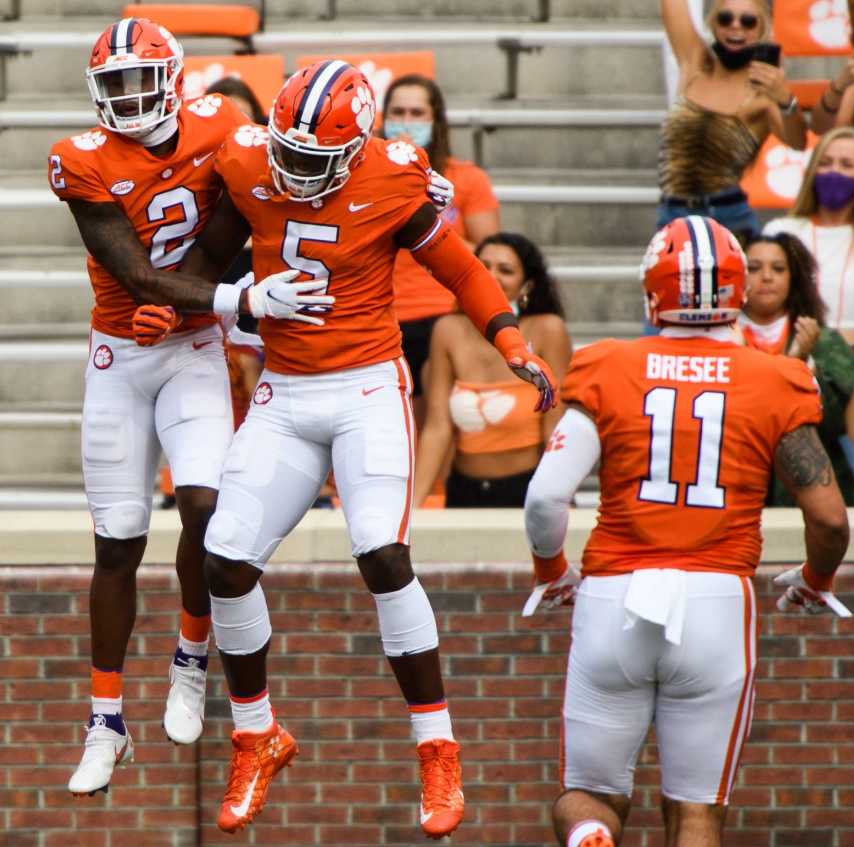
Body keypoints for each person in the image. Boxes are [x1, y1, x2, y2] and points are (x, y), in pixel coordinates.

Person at [134, 60, 559, 838]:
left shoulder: (397, 176)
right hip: (286, 390)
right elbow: (205, 235)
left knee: (381, 553)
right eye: (286, 154)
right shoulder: (248, 156)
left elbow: (460, 266)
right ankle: (258, 733)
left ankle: (437, 748)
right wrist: (191, 303)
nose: (294, 172)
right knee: (223, 557)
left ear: (360, 144)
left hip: (366, 388)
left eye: (313, 159)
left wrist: (508, 338)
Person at [46, 17, 331, 797]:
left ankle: (189, 655)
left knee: (205, 505)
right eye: (116, 85)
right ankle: (105, 720)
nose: (131, 98)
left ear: (175, 80)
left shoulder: (223, 127)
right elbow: (134, 272)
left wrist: (189, 305)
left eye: (144, 81)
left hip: (193, 345)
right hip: (118, 356)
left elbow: (270, 195)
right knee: (117, 542)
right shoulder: (79, 158)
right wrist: (230, 297)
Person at [522, 216, 851, 847]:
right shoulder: (773, 376)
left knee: (588, 793)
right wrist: (816, 579)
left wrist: (549, 571)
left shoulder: (607, 363)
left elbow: (545, 497)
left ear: (653, 290)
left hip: (614, 596)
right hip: (715, 603)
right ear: (736, 290)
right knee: (697, 810)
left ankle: (591, 835)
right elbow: (831, 518)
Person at [413, 233, 571, 508]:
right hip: (464, 489)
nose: (491, 276)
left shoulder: (548, 329)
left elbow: (555, 423)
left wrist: (559, 496)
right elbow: (437, 427)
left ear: (527, 286)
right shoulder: (447, 330)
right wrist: (412, 506)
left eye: (506, 270)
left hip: (530, 488)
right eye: (482, 267)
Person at [382, 74, 500, 417]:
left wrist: (421, 206)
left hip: (443, 315)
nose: (406, 122)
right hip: (382, 314)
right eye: (397, 112)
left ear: (435, 121)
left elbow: (490, 255)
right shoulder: (363, 176)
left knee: (437, 404)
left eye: (417, 114)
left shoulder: (466, 178)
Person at [658, 0, 804, 238]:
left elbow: (798, 141)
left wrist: (785, 99)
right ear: (714, 25)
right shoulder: (695, 64)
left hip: (729, 217)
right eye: (726, 19)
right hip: (673, 213)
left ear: (762, 30)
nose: (736, 27)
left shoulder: (763, 94)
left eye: (748, 22)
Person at [741, 233, 854, 505]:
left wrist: (805, 364)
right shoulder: (720, 340)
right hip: (739, 491)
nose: (767, 277)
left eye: (778, 268)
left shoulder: (824, 341)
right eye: (753, 268)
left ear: (793, 278)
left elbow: (842, 427)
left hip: (810, 497)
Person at [763, 128, 854, 348]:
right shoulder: (781, 231)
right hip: (795, 360)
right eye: (825, 162)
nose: (833, 171)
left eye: (846, 165)